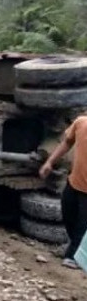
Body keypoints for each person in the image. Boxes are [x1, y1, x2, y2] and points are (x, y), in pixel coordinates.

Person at [39, 115, 87, 269]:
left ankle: (73, 257)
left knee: (83, 224)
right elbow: (66, 143)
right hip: (74, 182)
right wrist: (49, 162)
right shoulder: (80, 123)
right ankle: (76, 248)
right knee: (68, 215)